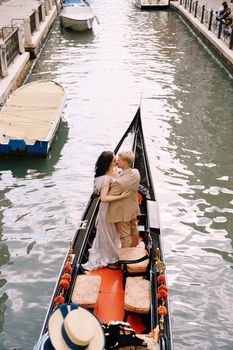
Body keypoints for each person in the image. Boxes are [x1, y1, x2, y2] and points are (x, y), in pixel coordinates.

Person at [82, 151, 131, 271]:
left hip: (115, 208)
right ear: (109, 163)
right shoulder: (105, 179)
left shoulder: (114, 171)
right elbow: (103, 198)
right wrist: (121, 197)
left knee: (113, 233)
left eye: (116, 160)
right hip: (107, 209)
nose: (116, 162)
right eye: (114, 161)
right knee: (108, 234)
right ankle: (111, 258)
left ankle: (112, 252)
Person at [106, 150, 141, 249]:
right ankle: (134, 246)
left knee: (125, 236)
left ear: (125, 162)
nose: (117, 161)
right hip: (133, 208)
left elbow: (108, 198)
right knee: (134, 228)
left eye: (119, 160)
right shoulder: (136, 172)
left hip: (122, 213)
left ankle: (126, 260)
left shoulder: (119, 183)